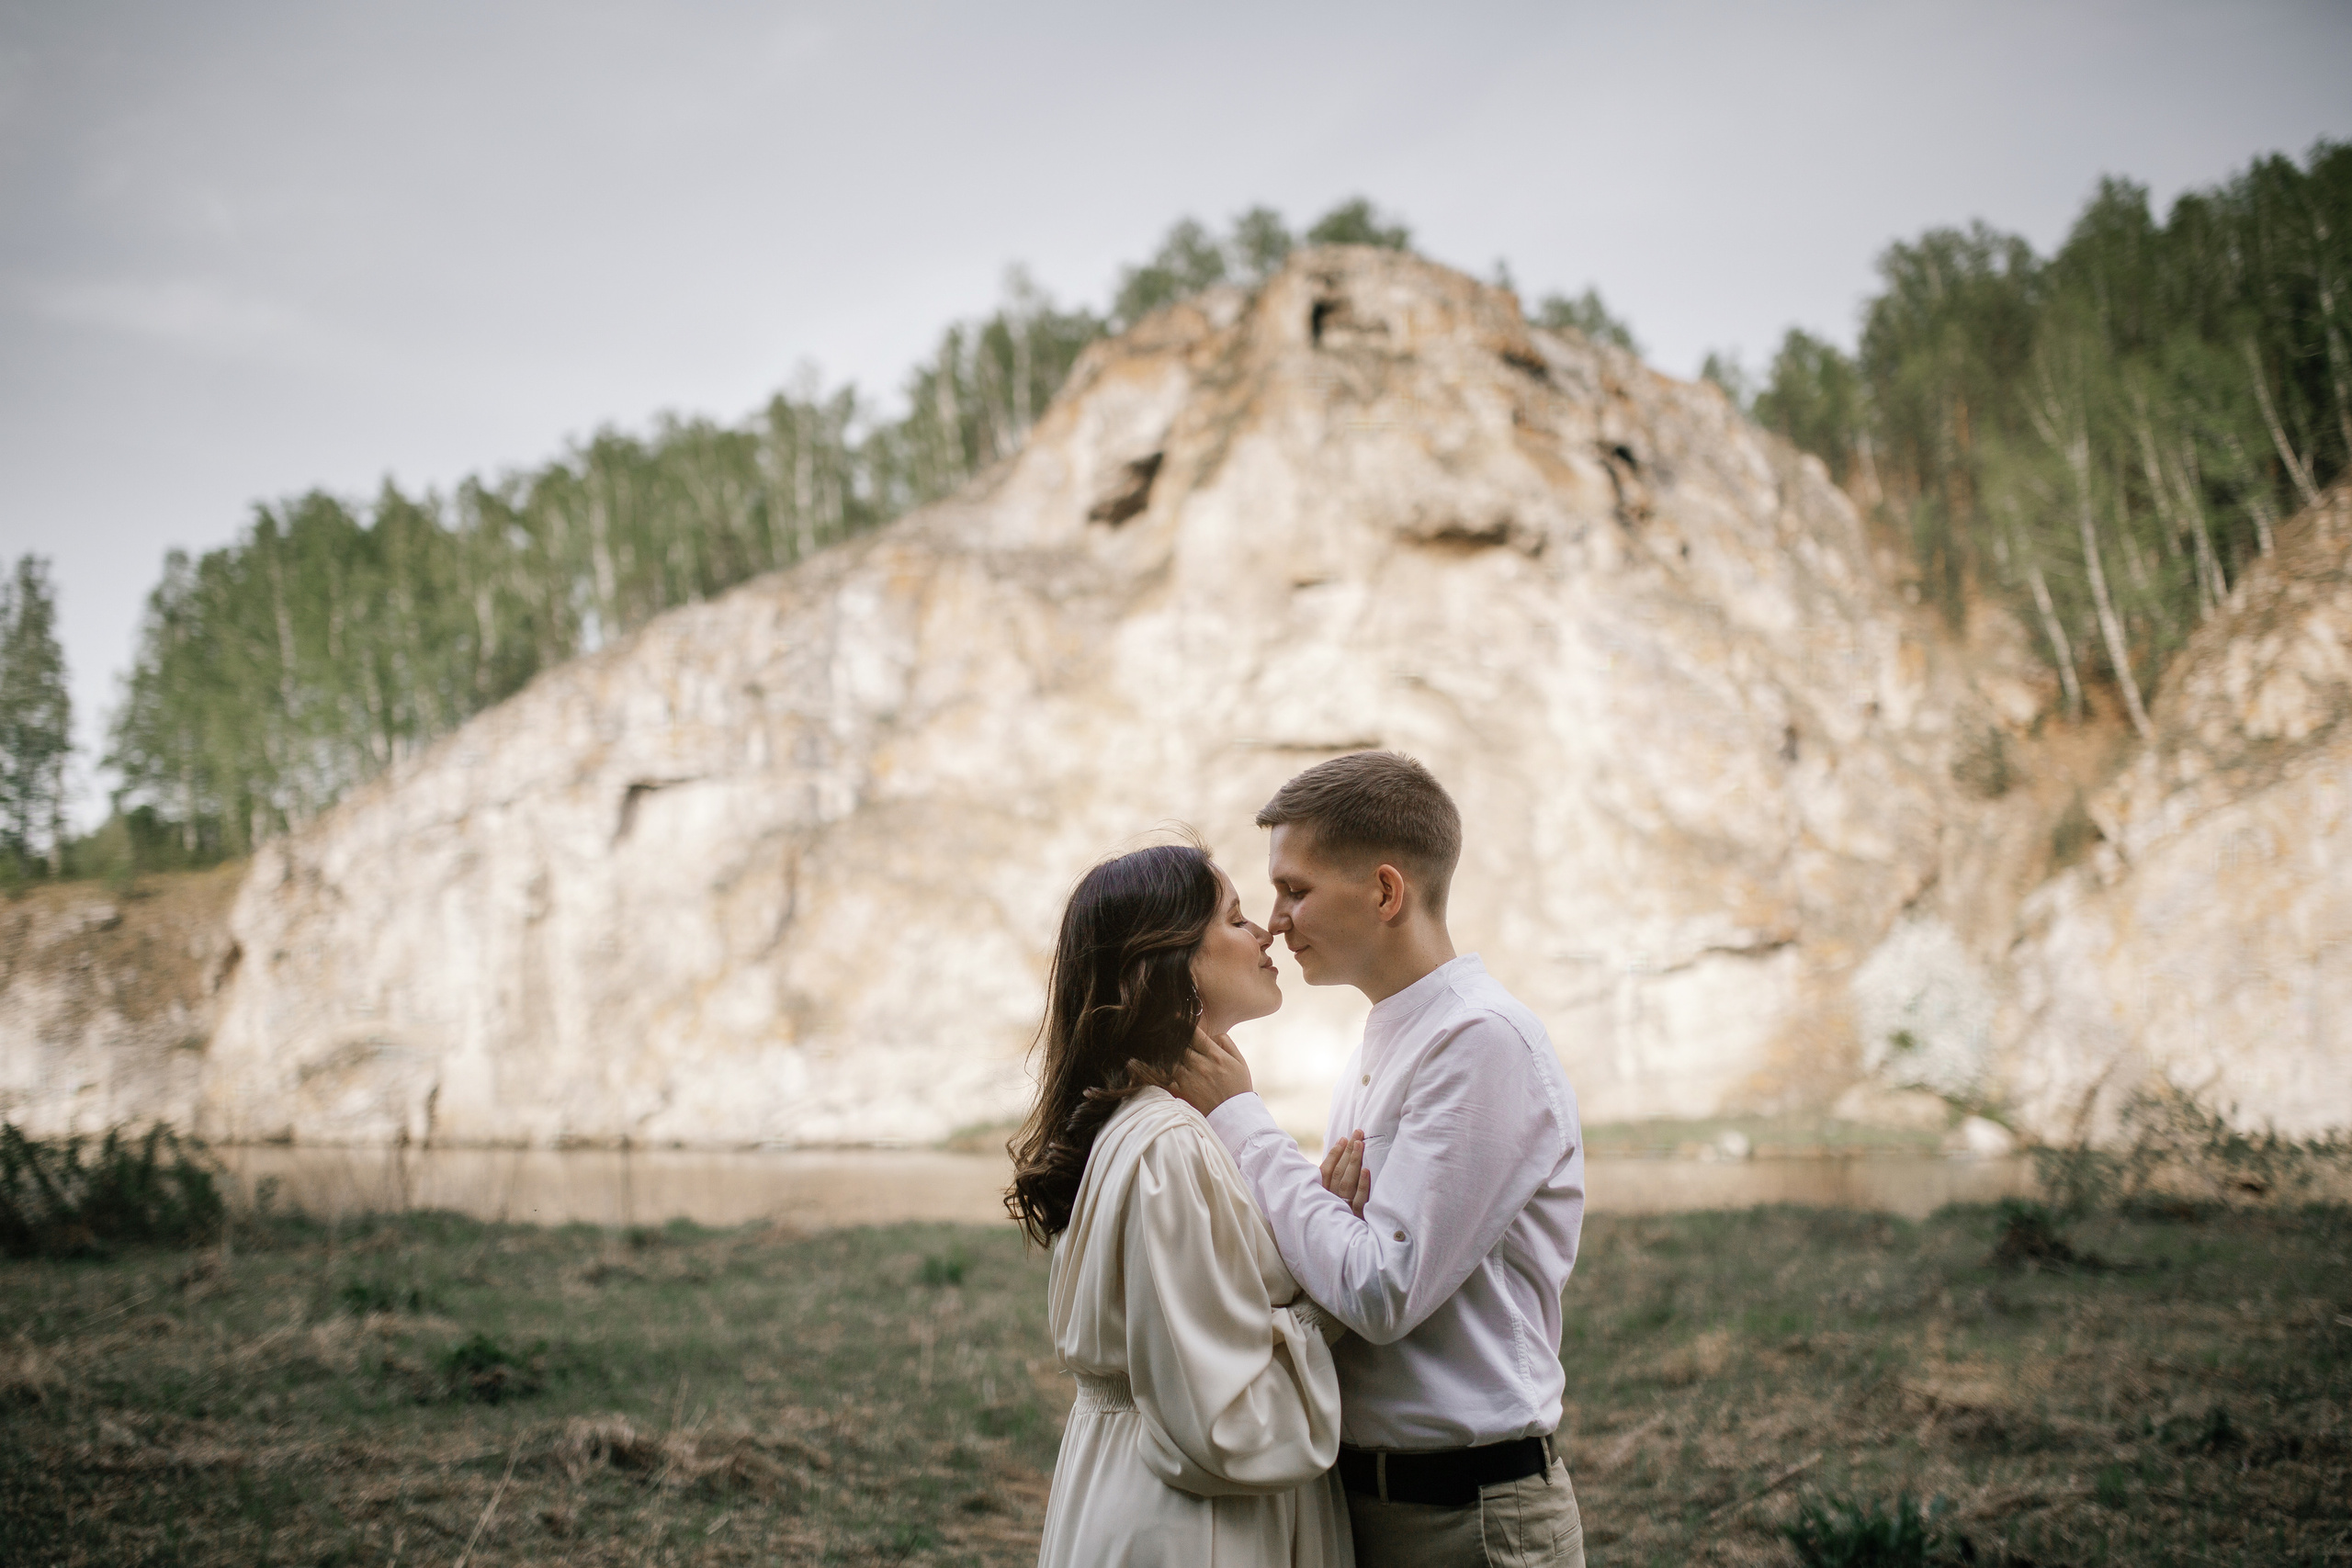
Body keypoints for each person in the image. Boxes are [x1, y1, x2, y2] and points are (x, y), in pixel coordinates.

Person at [1168, 751, 1588, 1568]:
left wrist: (1240, 1117)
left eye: (1295, 889)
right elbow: (1338, 1258)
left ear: (1387, 892)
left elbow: (1379, 1289)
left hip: (1472, 1518)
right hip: (1364, 1505)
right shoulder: (1381, 1042)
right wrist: (1324, 1213)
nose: (1275, 921)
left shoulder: (1481, 1041)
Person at [1010, 841, 1354, 1567]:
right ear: (1172, 962)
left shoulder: (1162, 1127)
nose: (1265, 932)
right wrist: (1334, 1278)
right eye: (1234, 918)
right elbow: (1221, 1413)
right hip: (1191, 1522)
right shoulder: (1168, 1147)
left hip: (1145, 1489)